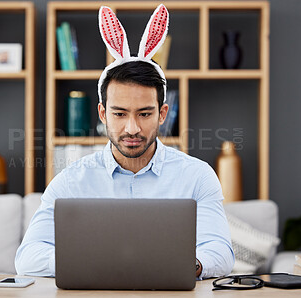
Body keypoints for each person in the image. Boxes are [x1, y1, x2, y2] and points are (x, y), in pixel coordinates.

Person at [15, 4, 234, 279]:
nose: (132, 128)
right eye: (119, 114)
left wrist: (186, 264)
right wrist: (97, 262)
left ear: (162, 114)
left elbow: (221, 252)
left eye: (144, 114)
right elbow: (27, 258)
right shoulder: (71, 181)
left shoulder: (198, 177)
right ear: (103, 114)